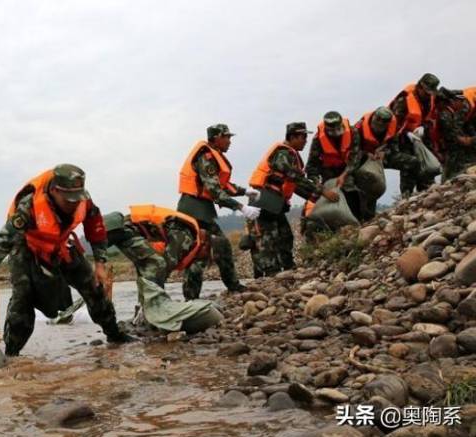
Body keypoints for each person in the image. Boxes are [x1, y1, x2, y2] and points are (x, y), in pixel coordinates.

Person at [0, 164, 131, 356]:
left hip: (60, 245)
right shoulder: (29, 206)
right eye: (68, 200)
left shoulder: (83, 199)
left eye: (76, 199)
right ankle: (12, 354)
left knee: (93, 286)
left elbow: (95, 227)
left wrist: (100, 263)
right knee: (22, 299)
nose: (73, 204)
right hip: (27, 248)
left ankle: (114, 334)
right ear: (55, 191)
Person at [102, 205, 223, 333]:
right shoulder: (185, 236)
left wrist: (189, 299)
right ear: (206, 246)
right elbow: (166, 263)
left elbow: (180, 273)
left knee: (149, 268)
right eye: (207, 257)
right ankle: (149, 313)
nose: (203, 260)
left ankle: (142, 313)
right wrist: (161, 302)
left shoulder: (189, 237)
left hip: (127, 230)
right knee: (157, 264)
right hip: (123, 229)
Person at [177, 123, 260, 296]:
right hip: (194, 210)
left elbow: (223, 185)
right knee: (199, 251)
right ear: (217, 138)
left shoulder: (213, 156)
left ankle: (232, 286)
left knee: (220, 246)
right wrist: (241, 207)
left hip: (202, 209)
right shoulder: (205, 156)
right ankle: (192, 298)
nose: (230, 141)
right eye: (227, 137)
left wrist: (245, 191)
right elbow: (215, 190)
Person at [248, 122, 336, 277]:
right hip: (265, 201)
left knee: (285, 236)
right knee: (267, 239)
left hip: (274, 202)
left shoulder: (290, 154)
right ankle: (269, 275)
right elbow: (292, 174)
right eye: (303, 137)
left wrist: (315, 198)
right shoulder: (283, 153)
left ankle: (288, 269)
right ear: (293, 137)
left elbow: (294, 185)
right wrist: (322, 191)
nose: (305, 141)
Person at [389, 73, 441, 196]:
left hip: (421, 136)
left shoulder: (431, 98)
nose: (428, 95)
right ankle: (406, 198)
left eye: (431, 92)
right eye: (426, 92)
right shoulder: (403, 100)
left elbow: (431, 117)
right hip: (403, 138)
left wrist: (424, 126)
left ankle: (427, 194)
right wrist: (407, 133)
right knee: (409, 168)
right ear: (420, 86)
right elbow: (393, 124)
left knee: (427, 169)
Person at [305, 111, 362, 220]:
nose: (336, 133)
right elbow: (311, 167)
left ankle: (357, 220)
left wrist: (344, 175)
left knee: (351, 190)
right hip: (328, 171)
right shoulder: (318, 140)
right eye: (332, 130)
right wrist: (320, 188)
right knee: (328, 197)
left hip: (347, 168)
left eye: (337, 129)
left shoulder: (353, 132)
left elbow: (356, 157)